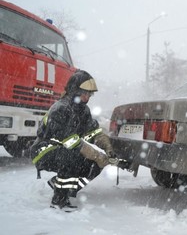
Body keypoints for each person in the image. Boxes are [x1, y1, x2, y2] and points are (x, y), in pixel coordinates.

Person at [30, 69, 129, 212]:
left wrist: (108, 150)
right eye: (85, 93)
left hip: (65, 149)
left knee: (93, 164)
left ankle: (67, 188)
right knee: (71, 157)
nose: (87, 97)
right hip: (43, 150)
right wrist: (96, 154)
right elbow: (69, 141)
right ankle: (59, 201)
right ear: (74, 90)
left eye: (89, 94)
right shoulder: (60, 109)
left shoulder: (83, 110)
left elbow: (94, 132)